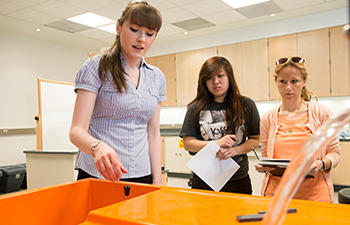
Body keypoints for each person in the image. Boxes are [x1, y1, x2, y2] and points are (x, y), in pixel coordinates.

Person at [69, 1, 165, 185]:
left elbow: (153, 134)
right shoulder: (96, 67)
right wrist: (97, 147)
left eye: (149, 34)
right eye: (135, 29)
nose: (142, 39)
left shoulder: (157, 77)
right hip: (98, 174)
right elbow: (76, 131)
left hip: (141, 175)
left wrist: (157, 180)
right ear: (119, 26)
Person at [255, 56, 340, 202]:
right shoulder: (268, 119)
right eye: (282, 81)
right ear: (276, 82)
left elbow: (334, 153)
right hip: (276, 197)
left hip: (314, 197)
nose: (288, 87)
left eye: (294, 81)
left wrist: (321, 164)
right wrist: (263, 166)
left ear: (304, 81)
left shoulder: (322, 113)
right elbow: (265, 157)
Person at [180, 56, 260, 194]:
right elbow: (188, 143)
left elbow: (255, 139)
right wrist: (216, 143)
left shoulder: (246, 105)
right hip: (204, 180)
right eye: (209, 78)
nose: (216, 82)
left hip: (238, 180)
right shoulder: (195, 108)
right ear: (204, 82)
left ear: (229, 76)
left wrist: (235, 150)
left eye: (220, 76)